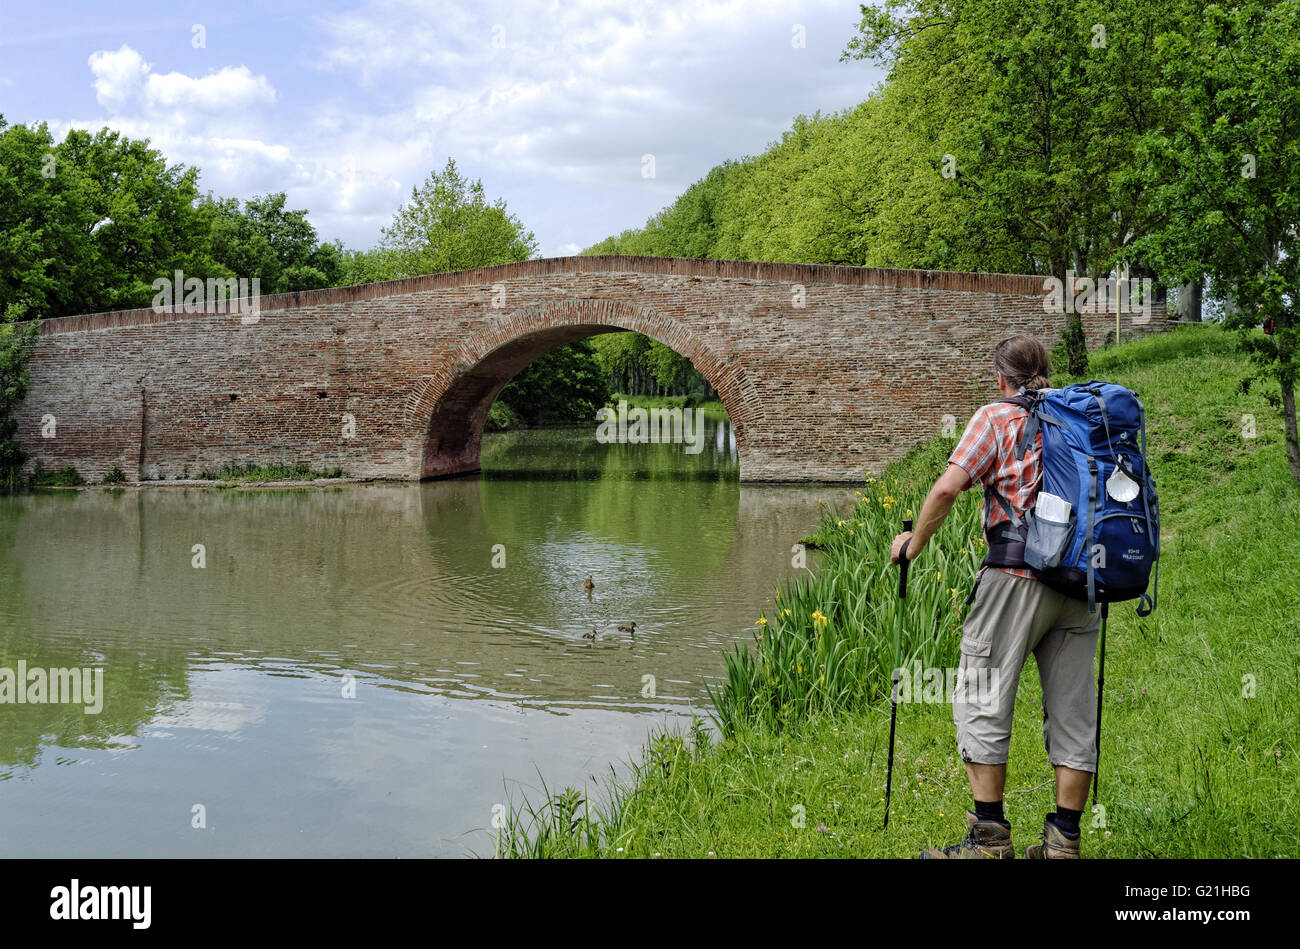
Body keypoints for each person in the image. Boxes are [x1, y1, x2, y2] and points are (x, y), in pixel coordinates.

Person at [889, 335, 1100, 859]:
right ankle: (1063, 842)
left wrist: (912, 546)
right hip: (1079, 583)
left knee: (983, 698)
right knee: (1073, 710)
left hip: (1014, 579)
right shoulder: (1077, 416)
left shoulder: (995, 417)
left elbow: (945, 490)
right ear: (1046, 372)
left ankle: (988, 839)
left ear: (1000, 379)